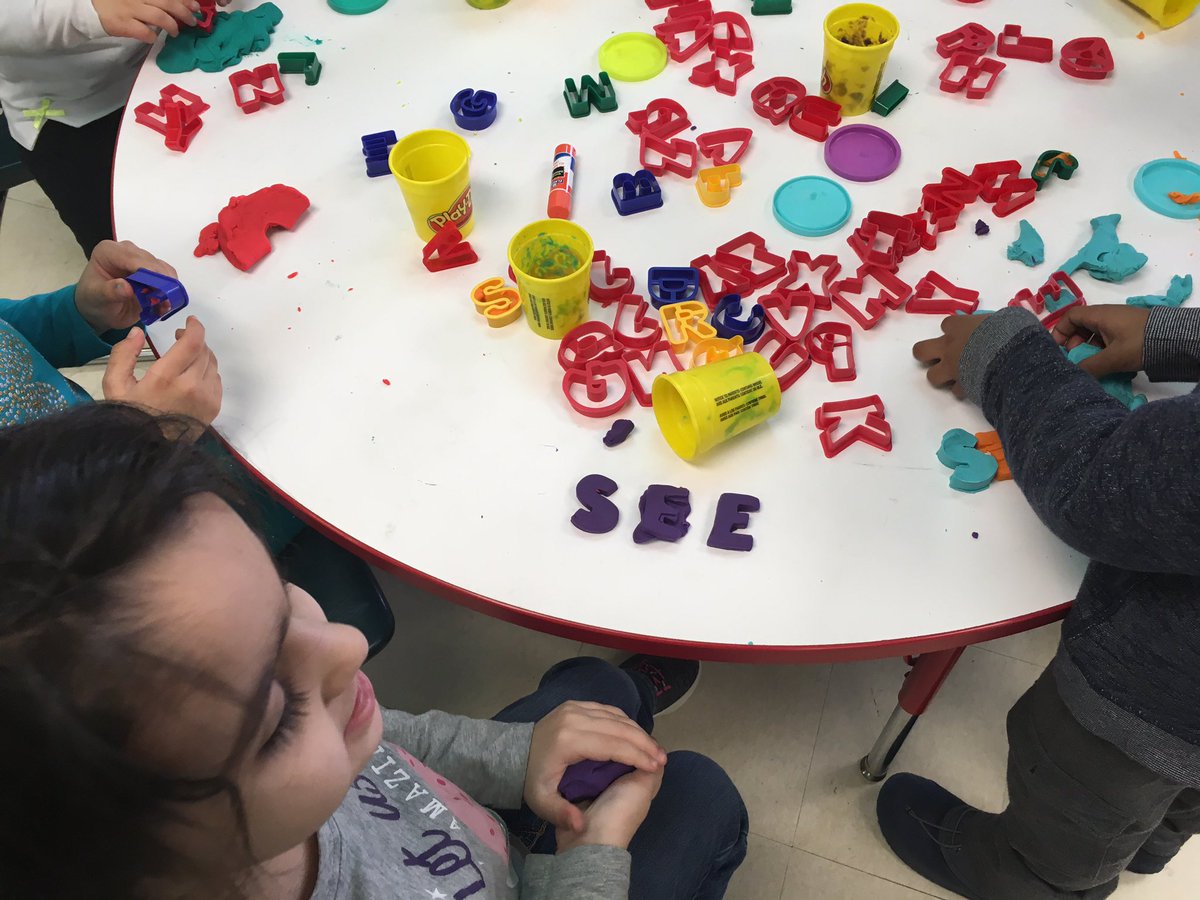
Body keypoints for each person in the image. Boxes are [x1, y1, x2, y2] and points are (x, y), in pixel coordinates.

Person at [0, 403, 748, 900]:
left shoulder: (284, 763)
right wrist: (595, 858)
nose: (350, 645)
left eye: (284, 592)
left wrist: (518, 757)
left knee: (591, 686)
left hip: (470, 838)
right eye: (278, 710)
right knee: (702, 794)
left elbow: (390, 746)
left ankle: (619, 710)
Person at [877, 303, 1200, 899]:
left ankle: (1030, 878)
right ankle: (1150, 846)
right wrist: (1180, 337)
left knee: (1078, 795)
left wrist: (1000, 357)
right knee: (1175, 793)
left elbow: (1098, 484)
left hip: (1154, 694)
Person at [0, 0, 229, 253]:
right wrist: (87, 10)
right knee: (120, 246)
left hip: (163, 61)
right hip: (70, 117)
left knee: (203, 199)